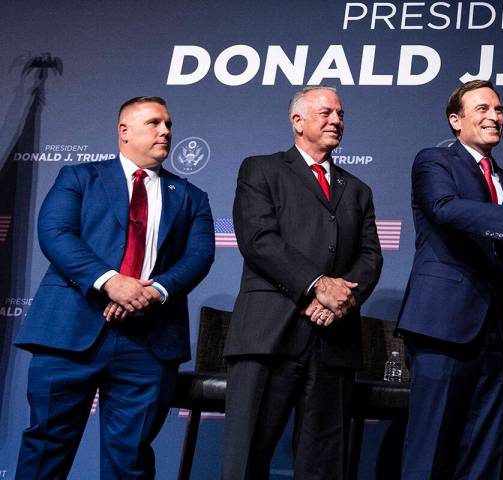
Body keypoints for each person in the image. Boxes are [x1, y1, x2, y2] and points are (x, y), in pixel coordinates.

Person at [14, 96, 215, 478]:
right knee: (46, 448)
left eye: (169, 124)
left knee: (131, 458)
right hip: (69, 334)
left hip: (148, 342)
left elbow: (200, 256)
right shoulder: (78, 177)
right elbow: (55, 234)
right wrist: (112, 282)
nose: (166, 131)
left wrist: (150, 293)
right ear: (124, 131)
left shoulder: (191, 197)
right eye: (154, 123)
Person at [222, 86, 383, 479]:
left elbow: (370, 256)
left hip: (332, 339)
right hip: (269, 336)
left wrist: (339, 298)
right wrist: (317, 284)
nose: (336, 121)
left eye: (341, 115)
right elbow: (259, 241)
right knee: (247, 458)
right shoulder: (260, 169)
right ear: (297, 121)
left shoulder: (357, 189)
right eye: (326, 113)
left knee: (325, 463)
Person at [395, 80, 503, 479]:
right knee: (430, 445)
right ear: (456, 120)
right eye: (482, 109)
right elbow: (445, 208)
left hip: (493, 332)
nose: (494, 117)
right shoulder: (435, 160)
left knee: (485, 448)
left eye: (498, 110)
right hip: (441, 323)